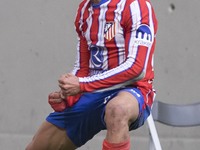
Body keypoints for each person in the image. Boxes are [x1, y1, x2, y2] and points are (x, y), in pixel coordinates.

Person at [26, 0, 158, 149]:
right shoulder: (84, 9)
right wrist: (68, 94)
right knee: (39, 145)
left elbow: (136, 69)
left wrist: (82, 85)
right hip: (93, 91)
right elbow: (83, 67)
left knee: (117, 109)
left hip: (131, 90)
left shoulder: (135, 5)